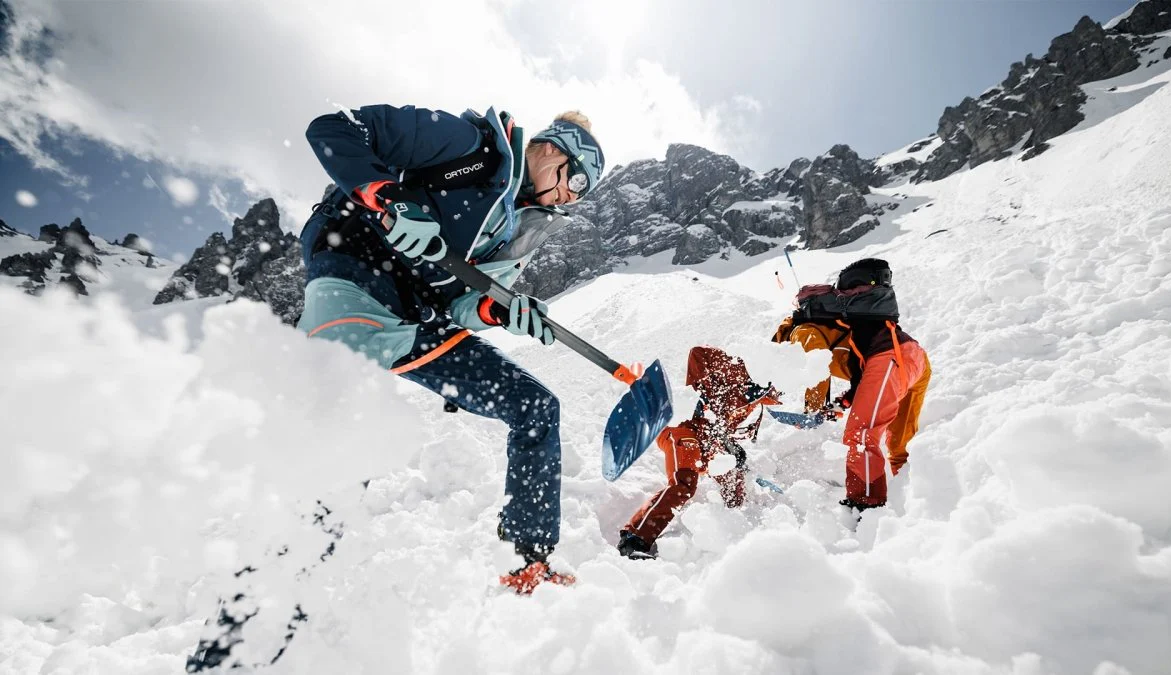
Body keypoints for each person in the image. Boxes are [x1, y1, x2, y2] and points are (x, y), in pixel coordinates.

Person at [298, 104, 605, 593]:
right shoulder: (472, 147)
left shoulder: (524, 227)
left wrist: (500, 311)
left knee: (535, 407)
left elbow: (462, 304)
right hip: (354, 284)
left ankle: (528, 558)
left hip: (414, 320)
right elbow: (332, 127)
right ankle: (273, 601)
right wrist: (391, 198)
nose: (572, 197)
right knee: (344, 445)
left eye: (581, 195)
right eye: (577, 181)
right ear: (551, 150)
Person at [771, 258, 931, 510]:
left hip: (888, 358)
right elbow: (861, 374)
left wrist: (813, 409)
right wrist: (841, 403)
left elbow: (815, 357)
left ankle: (865, 505)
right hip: (912, 356)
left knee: (862, 434)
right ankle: (921, 497)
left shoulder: (799, 331)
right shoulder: (848, 322)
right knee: (900, 444)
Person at [618, 347, 780, 559]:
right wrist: (713, 388)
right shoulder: (735, 379)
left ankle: (734, 527)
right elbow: (698, 354)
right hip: (684, 432)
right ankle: (634, 538)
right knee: (684, 484)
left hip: (708, 445)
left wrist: (730, 448)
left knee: (734, 481)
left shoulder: (755, 402)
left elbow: (721, 427)